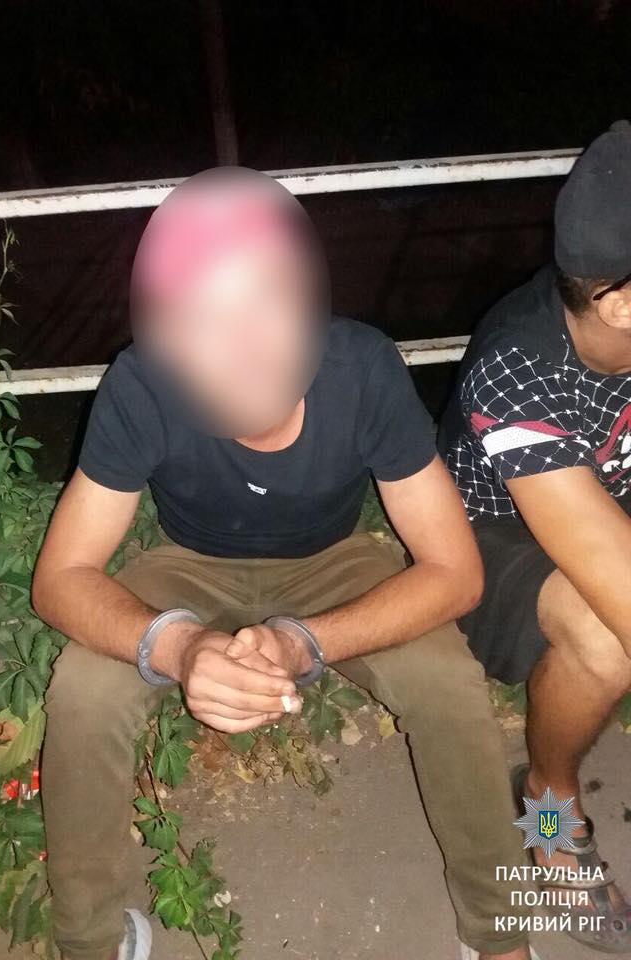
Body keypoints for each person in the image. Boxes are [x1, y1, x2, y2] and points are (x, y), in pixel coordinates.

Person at [33, 166, 531, 960]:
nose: (245, 346)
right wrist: (179, 645)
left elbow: (455, 571)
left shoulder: (361, 369)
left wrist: (304, 640)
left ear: (307, 298)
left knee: (444, 679)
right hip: (190, 562)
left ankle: (501, 932)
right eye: (203, 316)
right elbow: (61, 578)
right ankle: (90, 941)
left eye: (266, 299)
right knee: (84, 690)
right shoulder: (143, 383)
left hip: (333, 562)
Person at [440, 121, 631, 953]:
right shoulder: (520, 368)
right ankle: (550, 804)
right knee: (606, 638)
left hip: (604, 499)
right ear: (621, 303)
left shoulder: (618, 314)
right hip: (489, 539)